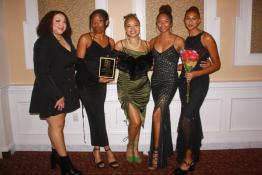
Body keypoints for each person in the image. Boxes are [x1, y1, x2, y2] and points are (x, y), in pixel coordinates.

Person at [29, 11, 81, 175]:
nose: (62, 24)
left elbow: (70, 64)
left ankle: (55, 155)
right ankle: (66, 166)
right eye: (57, 21)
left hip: (65, 89)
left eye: (64, 21)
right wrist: (57, 95)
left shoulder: (66, 39)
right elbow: (41, 73)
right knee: (57, 126)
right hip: (50, 90)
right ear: (48, 23)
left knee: (57, 125)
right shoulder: (42, 42)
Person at [174, 6, 221, 175]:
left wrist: (196, 73)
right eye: (187, 18)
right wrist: (165, 67)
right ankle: (193, 154)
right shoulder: (185, 41)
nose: (190, 21)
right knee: (192, 118)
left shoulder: (206, 38)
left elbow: (217, 64)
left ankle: (188, 157)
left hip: (199, 82)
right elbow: (186, 65)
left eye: (194, 18)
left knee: (186, 118)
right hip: (184, 83)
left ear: (199, 20)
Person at [75, 9, 119, 169]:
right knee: (98, 115)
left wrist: (110, 76)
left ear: (106, 22)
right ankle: (107, 150)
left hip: (100, 86)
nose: (96, 23)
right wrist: (96, 78)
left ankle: (95, 149)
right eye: (93, 20)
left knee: (96, 115)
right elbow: (79, 65)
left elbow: (111, 62)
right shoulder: (85, 38)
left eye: (100, 20)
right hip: (85, 84)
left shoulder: (111, 42)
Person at [148, 5, 184, 170]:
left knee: (157, 114)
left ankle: (156, 154)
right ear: (156, 23)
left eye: (166, 21)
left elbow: (188, 63)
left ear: (170, 23)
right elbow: (149, 64)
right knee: (162, 114)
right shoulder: (152, 41)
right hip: (155, 82)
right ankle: (167, 148)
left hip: (170, 81)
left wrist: (174, 68)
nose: (162, 24)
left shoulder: (178, 40)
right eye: (159, 22)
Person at [114, 14, 152, 163]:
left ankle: (135, 148)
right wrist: (104, 76)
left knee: (138, 120)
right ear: (125, 28)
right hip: (126, 87)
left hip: (143, 87)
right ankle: (129, 146)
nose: (132, 28)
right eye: (129, 26)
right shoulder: (120, 45)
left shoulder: (148, 45)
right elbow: (110, 63)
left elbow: (152, 65)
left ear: (139, 26)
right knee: (135, 121)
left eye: (135, 25)